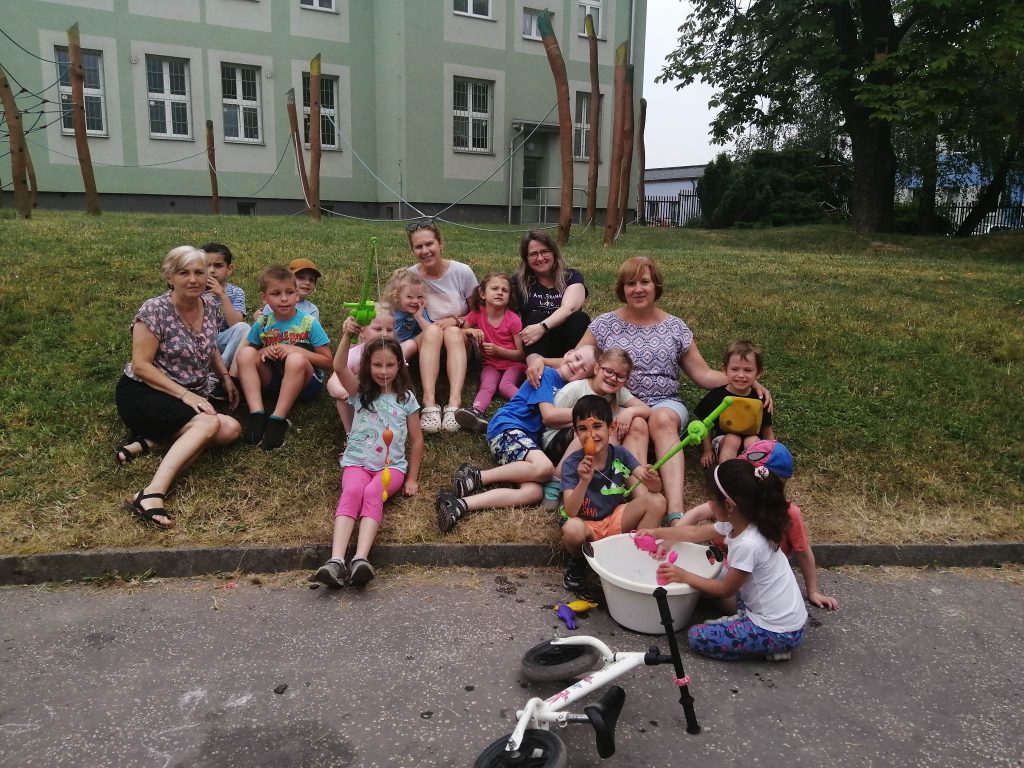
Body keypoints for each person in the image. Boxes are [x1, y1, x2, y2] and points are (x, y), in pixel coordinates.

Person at [528, 256, 772, 523]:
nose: (638, 289)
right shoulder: (604, 324)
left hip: (665, 403)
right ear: (622, 288)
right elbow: (576, 361)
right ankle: (641, 501)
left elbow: (702, 374)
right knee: (635, 424)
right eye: (630, 283)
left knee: (662, 418)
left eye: (644, 282)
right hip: (620, 403)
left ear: (656, 286)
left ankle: (675, 511)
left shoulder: (675, 327)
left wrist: (742, 381)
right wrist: (540, 360)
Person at [114, 246, 241, 529]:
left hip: (186, 397)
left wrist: (224, 376)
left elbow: (208, 344)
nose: (193, 279)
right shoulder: (154, 309)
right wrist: (186, 395)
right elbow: (141, 366)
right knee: (209, 424)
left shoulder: (209, 304)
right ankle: (151, 494)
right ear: (170, 277)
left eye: (199, 272)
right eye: (184, 273)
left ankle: (151, 441)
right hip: (145, 392)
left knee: (231, 429)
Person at [639, 460, 808, 662]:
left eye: (712, 500)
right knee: (718, 588)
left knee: (697, 636)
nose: (709, 504)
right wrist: (655, 532)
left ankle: (768, 647)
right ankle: (751, 630)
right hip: (786, 620)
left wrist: (683, 576)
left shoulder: (748, 544)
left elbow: (725, 589)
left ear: (729, 506)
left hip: (778, 631)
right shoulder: (743, 523)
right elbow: (693, 532)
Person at [435, 346, 597, 533]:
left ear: (585, 377)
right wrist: (588, 415)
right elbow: (548, 416)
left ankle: (458, 505)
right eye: (576, 358)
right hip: (508, 427)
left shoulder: (570, 389)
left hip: (526, 441)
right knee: (545, 468)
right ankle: (475, 476)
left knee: (534, 492)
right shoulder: (546, 374)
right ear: (568, 353)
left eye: (583, 368)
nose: (576, 365)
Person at [311, 325, 423, 588]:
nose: (383, 371)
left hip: (391, 468)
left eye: (390, 365)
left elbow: (417, 440)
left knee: (373, 493)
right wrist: (346, 335)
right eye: (377, 365)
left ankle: (361, 559)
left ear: (399, 366)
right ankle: (336, 561)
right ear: (367, 366)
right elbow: (339, 367)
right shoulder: (360, 392)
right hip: (357, 464)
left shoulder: (406, 399)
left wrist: (412, 478)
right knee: (352, 491)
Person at [673, 440, 838, 611]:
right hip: (727, 562)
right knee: (691, 570)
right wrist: (673, 534)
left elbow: (803, 552)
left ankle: (735, 607)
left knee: (708, 587)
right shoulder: (738, 502)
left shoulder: (788, 514)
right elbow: (698, 513)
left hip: (753, 579)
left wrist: (813, 591)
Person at [559, 396, 666, 591]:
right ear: (576, 433)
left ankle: (635, 554)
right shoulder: (572, 464)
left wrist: (653, 481)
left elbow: (652, 488)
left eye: (597, 426)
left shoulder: (620, 455)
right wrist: (584, 481)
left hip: (616, 519)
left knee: (657, 501)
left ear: (611, 428)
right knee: (572, 529)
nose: (591, 434)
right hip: (587, 526)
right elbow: (571, 511)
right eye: (583, 428)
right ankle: (579, 562)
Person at [236, 265, 333, 451]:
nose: (284, 298)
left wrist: (295, 350)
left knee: (295, 359)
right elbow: (249, 356)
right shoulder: (263, 322)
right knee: (245, 353)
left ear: (296, 295)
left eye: (289, 292)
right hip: (273, 382)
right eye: (276, 293)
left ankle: (278, 419)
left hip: (306, 385)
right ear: (264, 297)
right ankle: (257, 413)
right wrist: (262, 352)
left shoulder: (308, 322)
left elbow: (328, 362)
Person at [539, 347, 650, 508]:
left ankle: (624, 484)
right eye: (608, 371)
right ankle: (554, 483)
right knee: (590, 433)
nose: (613, 378)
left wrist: (630, 412)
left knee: (622, 428)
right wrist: (586, 418)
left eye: (620, 376)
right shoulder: (576, 388)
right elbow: (549, 418)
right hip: (555, 442)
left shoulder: (618, 393)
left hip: (589, 445)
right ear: (597, 368)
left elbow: (646, 409)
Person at [405, 219, 478, 433]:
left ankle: (454, 403)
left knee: (452, 332)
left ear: (440, 244)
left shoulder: (462, 271)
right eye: (418, 246)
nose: (425, 251)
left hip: (460, 339)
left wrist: (456, 320)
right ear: (413, 250)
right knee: (433, 331)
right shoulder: (410, 275)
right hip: (428, 341)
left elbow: (479, 311)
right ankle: (429, 403)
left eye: (430, 244)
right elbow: (393, 305)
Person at [453, 272, 526, 432]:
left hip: (513, 364)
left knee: (505, 386)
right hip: (491, 364)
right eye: (495, 288)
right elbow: (461, 331)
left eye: (504, 290)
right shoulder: (478, 314)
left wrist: (499, 351)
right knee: (487, 385)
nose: (500, 292)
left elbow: (521, 354)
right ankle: (476, 412)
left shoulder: (513, 320)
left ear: (509, 296)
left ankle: (530, 406)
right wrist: (470, 331)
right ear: (482, 294)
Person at [695, 340, 775, 468]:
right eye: (734, 369)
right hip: (724, 441)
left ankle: (751, 474)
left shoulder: (760, 398)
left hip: (752, 442)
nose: (741, 375)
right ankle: (727, 471)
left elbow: (767, 430)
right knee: (733, 438)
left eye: (748, 370)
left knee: (752, 440)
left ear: (758, 373)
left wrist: (774, 453)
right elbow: (706, 427)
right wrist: (707, 450)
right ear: (725, 370)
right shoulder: (717, 395)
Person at [511, 230, 590, 359]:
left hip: (567, 342)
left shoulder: (571, 277)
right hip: (534, 343)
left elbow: (569, 308)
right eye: (533, 254)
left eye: (545, 251)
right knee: (535, 316)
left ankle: (576, 363)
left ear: (554, 253)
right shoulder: (518, 281)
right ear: (526, 259)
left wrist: (542, 327)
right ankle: (535, 367)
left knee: (579, 318)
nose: (540, 258)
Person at [325, 305, 395, 433]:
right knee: (342, 398)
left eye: (390, 330)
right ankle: (351, 434)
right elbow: (333, 382)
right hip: (357, 401)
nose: (385, 334)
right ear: (362, 332)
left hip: (386, 403)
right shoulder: (354, 354)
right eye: (378, 329)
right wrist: (347, 394)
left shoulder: (396, 355)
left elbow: (402, 382)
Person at [200, 242, 249, 379]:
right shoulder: (194, 290)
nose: (211, 270)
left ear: (229, 269)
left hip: (222, 343)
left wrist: (222, 295)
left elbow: (236, 324)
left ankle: (220, 370)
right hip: (198, 341)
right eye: (206, 265)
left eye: (218, 265)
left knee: (244, 328)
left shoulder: (236, 292)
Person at [386, 268, 432, 360]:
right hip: (388, 345)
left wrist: (419, 317)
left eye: (419, 296)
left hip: (410, 347)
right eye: (409, 297)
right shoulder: (390, 311)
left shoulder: (420, 311)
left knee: (411, 344)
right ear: (397, 297)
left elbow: (431, 332)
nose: (415, 301)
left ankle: (393, 362)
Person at [256, 258, 321, 321]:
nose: (307, 282)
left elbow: (313, 328)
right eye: (301, 277)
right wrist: (259, 321)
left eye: (311, 280)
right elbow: (264, 326)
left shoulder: (312, 310)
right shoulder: (270, 306)